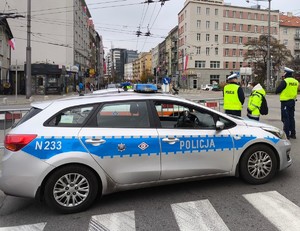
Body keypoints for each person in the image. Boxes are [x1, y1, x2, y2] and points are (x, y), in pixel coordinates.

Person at [275, 67, 299, 139]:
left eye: (284, 72)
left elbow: (277, 90)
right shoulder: (296, 81)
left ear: (286, 73)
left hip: (285, 102)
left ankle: (286, 134)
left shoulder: (285, 81)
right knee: (291, 117)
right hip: (292, 101)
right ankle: (293, 134)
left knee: (286, 118)